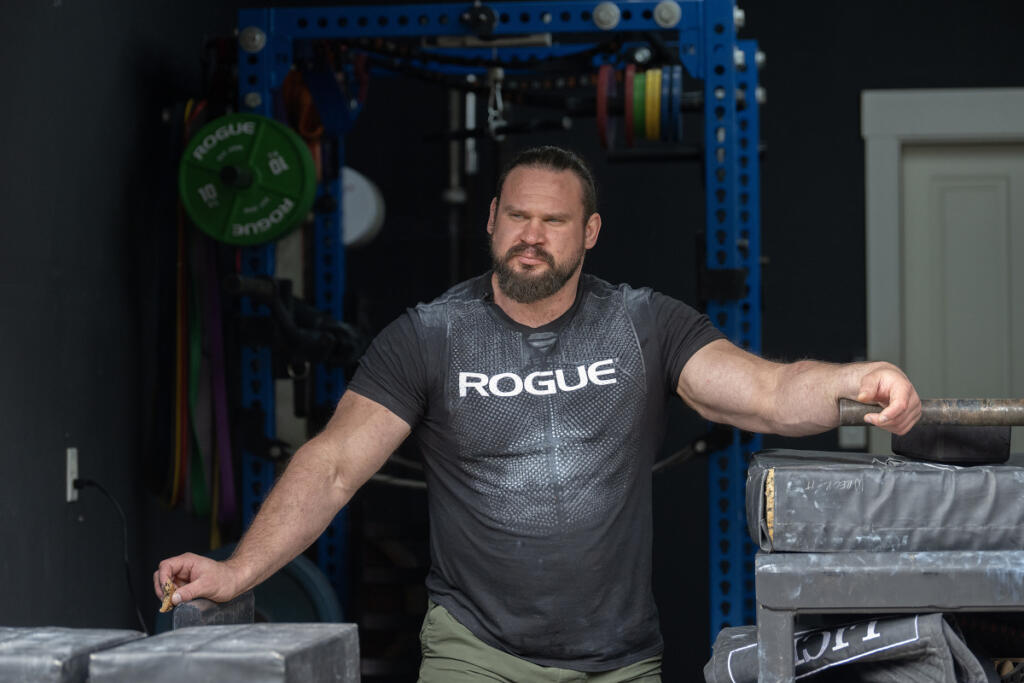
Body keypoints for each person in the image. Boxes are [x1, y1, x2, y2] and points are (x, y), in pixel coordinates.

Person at [155, 146, 921, 681]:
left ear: (588, 232)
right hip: (474, 651)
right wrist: (236, 570)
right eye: (517, 216)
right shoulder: (431, 335)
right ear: (491, 219)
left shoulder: (643, 324)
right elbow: (331, 466)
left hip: (619, 660)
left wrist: (860, 381)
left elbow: (766, 393)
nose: (530, 236)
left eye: (553, 221)